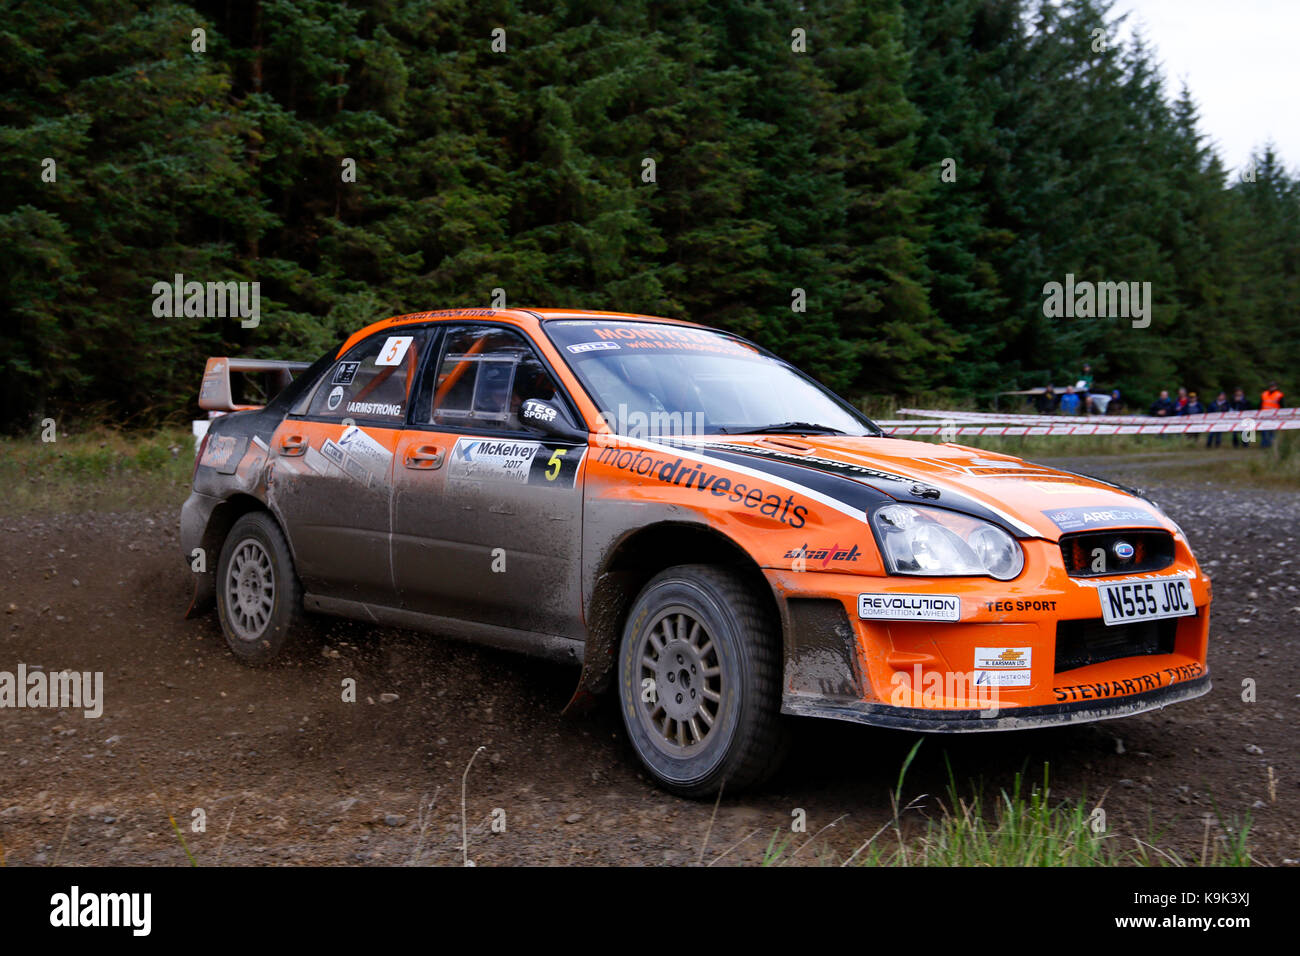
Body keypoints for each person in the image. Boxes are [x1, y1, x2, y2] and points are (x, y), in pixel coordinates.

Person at [1260, 381, 1284, 449]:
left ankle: (1271, 445)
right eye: (1270, 386)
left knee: (1272, 432)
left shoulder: (1279, 394)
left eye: (1273, 386)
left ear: (1276, 386)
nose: (1271, 387)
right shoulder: (1264, 394)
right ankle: (1264, 445)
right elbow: (1260, 404)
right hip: (1264, 416)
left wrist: (1281, 415)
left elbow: (1282, 406)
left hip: (1274, 416)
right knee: (1264, 431)